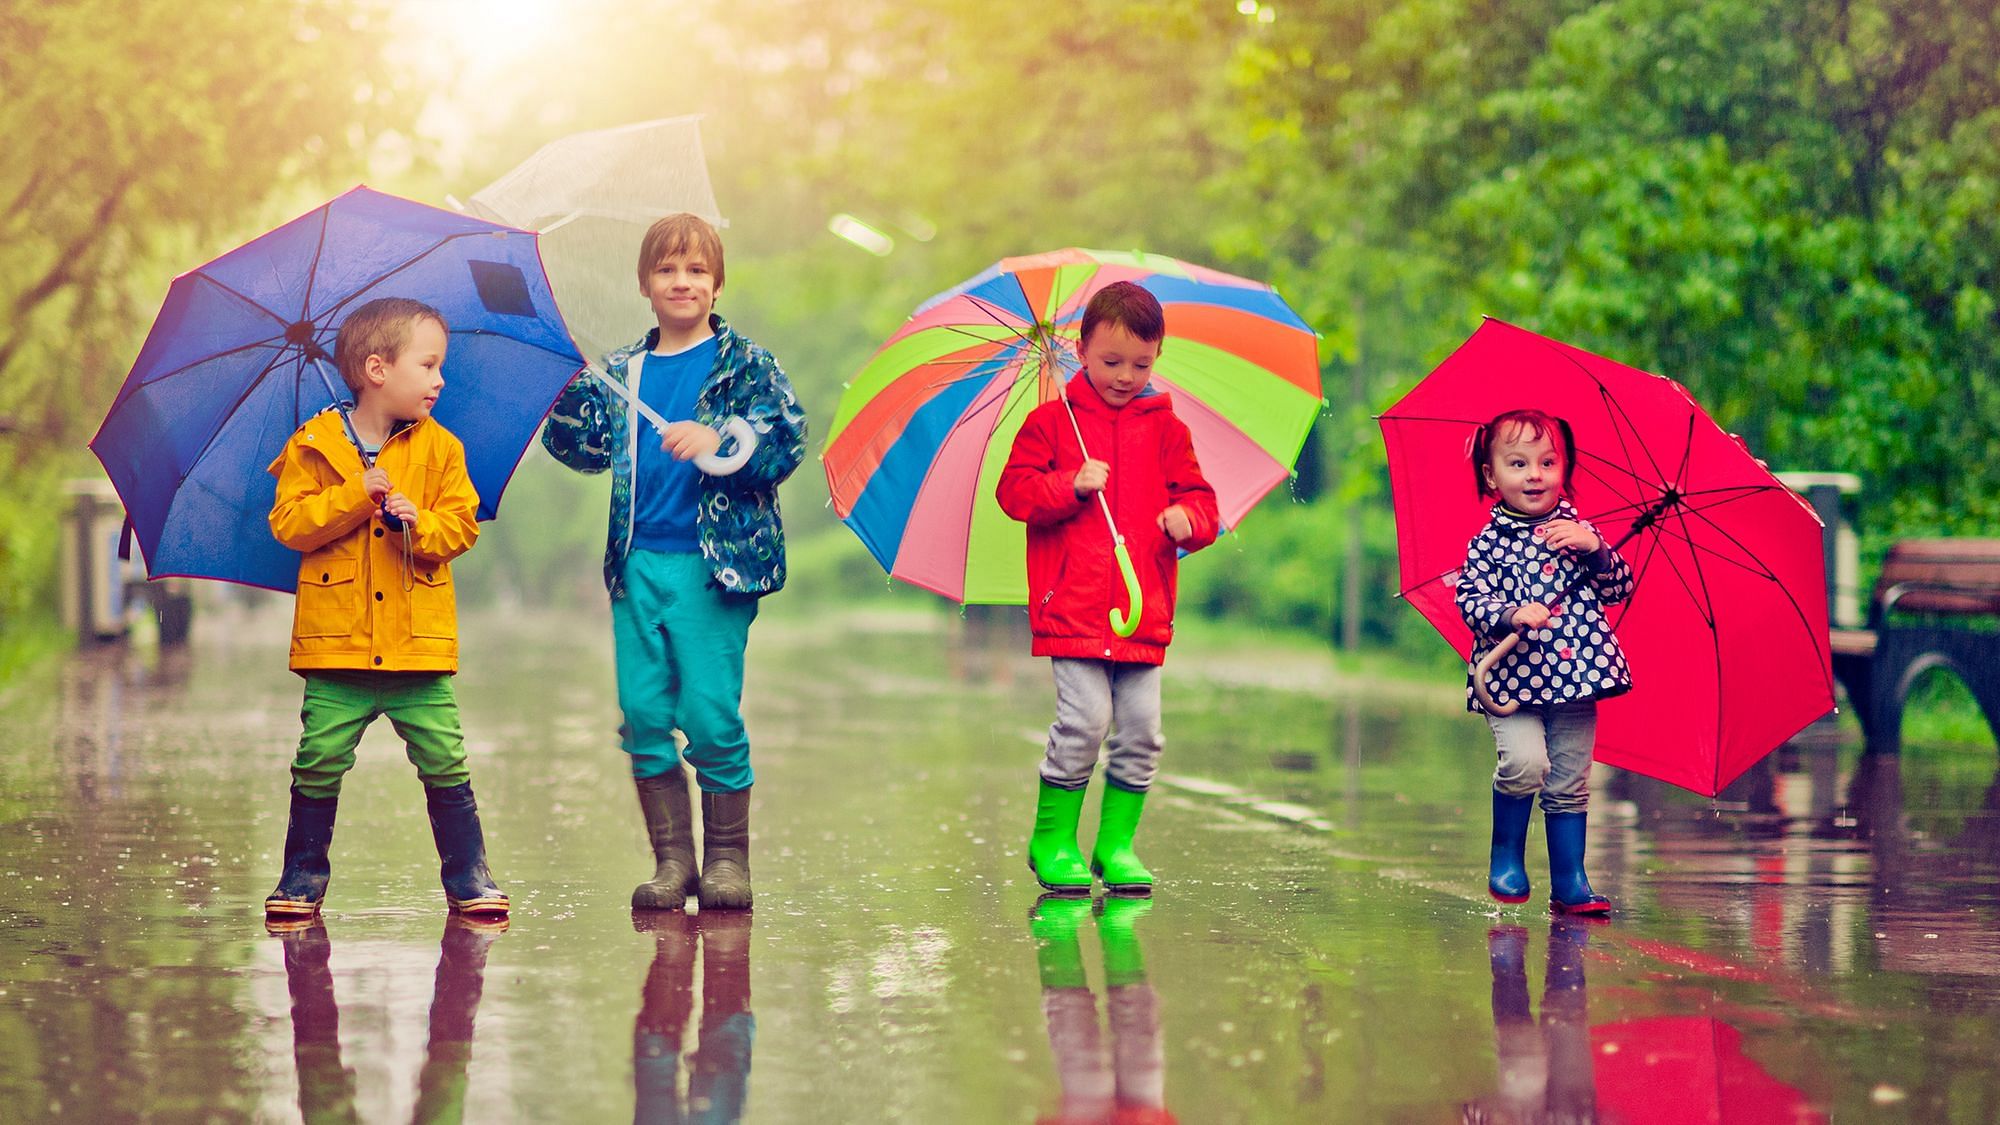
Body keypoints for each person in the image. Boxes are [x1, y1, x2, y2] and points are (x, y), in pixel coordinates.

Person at [542, 213, 806, 912]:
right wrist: (568, 385)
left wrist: (721, 435)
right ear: (645, 285)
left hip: (713, 567)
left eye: (695, 270)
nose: (681, 281)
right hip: (637, 562)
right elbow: (580, 449)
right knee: (643, 711)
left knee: (710, 712)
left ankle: (726, 860)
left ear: (717, 283)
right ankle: (672, 862)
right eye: (667, 270)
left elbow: (786, 437)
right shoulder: (623, 371)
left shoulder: (744, 364)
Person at [263, 297, 507, 920]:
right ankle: (301, 876)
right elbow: (289, 523)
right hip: (337, 648)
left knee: (445, 758)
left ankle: (469, 875)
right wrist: (354, 493)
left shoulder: (441, 450)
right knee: (317, 759)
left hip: (415, 651)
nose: (439, 380)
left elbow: (462, 528)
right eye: (427, 366)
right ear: (377, 369)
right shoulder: (314, 444)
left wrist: (417, 521)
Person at [997, 281, 1219, 897]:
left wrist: (1189, 522)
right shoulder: (1050, 425)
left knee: (1143, 730)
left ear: (1157, 355)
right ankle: (1052, 839)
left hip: (1142, 608)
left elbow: (1202, 501)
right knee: (1085, 721)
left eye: (1141, 364)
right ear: (1080, 349)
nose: (1125, 376)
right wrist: (1069, 483)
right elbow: (1014, 494)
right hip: (1072, 607)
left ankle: (1116, 844)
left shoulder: (1168, 430)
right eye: (1110, 362)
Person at [1457, 408, 1634, 915]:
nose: (1534, 475)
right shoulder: (1487, 544)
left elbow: (1619, 587)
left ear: (1564, 469)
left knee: (1570, 779)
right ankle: (1506, 855)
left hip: (1577, 677)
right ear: (1491, 476)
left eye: (1547, 462)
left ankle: (1571, 881)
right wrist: (1512, 614)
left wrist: (1596, 548)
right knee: (1525, 762)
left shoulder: (1579, 533)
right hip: (1511, 681)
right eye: (1518, 463)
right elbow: (1470, 601)